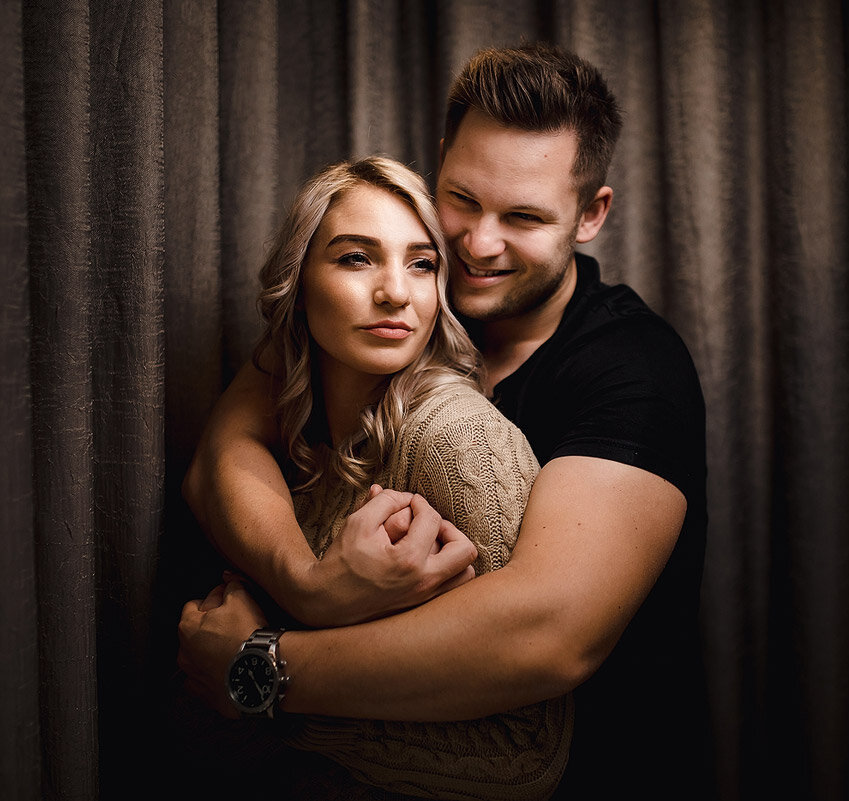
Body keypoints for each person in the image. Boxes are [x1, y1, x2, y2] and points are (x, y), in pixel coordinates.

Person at [178, 42, 714, 799]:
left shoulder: (633, 369)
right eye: (462, 198)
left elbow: (549, 635)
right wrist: (311, 584)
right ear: (440, 165)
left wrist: (263, 667)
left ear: (591, 214)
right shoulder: (399, 303)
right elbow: (225, 450)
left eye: (523, 217)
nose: (476, 244)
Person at [178, 155, 572, 800]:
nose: (396, 292)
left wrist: (259, 694)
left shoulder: (457, 440)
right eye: (356, 258)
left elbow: (522, 753)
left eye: (422, 263)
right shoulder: (304, 441)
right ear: (297, 282)